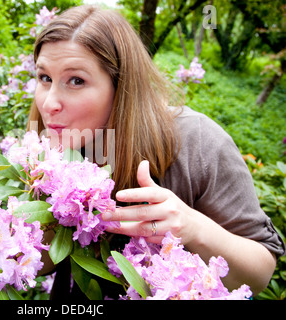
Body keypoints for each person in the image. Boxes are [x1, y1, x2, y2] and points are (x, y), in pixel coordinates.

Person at [26, 5, 285, 298]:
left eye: (76, 80)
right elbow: (44, 263)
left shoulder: (197, 141)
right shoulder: (52, 144)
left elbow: (261, 272)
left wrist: (192, 227)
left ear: (121, 86)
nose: (49, 103)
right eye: (45, 78)